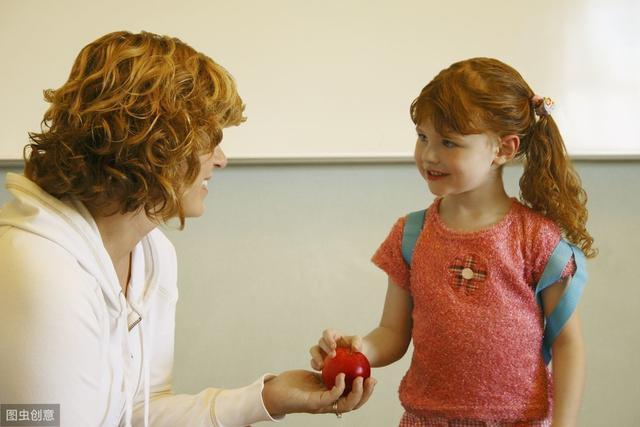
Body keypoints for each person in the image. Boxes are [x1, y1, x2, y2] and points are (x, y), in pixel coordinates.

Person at [0, 31, 376, 427]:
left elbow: (144, 410)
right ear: (155, 144)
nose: (221, 159)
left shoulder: (152, 253)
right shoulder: (38, 268)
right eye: (210, 141)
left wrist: (267, 398)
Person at [310, 58, 596, 427]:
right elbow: (393, 334)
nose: (429, 154)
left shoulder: (536, 239)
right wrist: (359, 348)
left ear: (503, 150)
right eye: (422, 136)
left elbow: (568, 345)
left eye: (449, 142)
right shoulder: (411, 234)